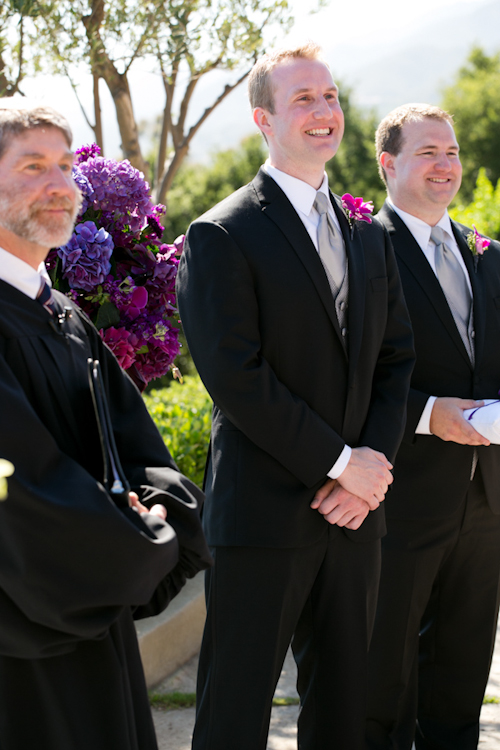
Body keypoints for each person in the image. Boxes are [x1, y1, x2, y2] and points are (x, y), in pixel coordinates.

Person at [176, 42, 415, 750]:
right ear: (263, 118)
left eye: (331, 97)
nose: (323, 112)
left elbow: (397, 359)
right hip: (262, 515)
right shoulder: (222, 232)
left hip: (355, 515)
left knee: (345, 711)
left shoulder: (369, 235)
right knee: (234, 714)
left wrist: (369, 468)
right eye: (303, 99)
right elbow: (237, 378)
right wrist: (342, 464)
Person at [0, 106, 211, 750]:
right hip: (24, 633)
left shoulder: (58, 312)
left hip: (93, 617)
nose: (59, 183)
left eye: (65, 165)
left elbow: (131, 439)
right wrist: (136, 540)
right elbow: (20, 488)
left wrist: (170, 515)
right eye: (32, 167)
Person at [366, 104, 500, 750]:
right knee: (384, 674)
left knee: (464, 669)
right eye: (428, 153)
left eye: (450, 151)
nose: (445, 164)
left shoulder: (489, 254)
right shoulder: (365, 253)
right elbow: (352, 372)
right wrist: (425, 415)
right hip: (402, 495)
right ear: (389, 165)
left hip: (486, 500)